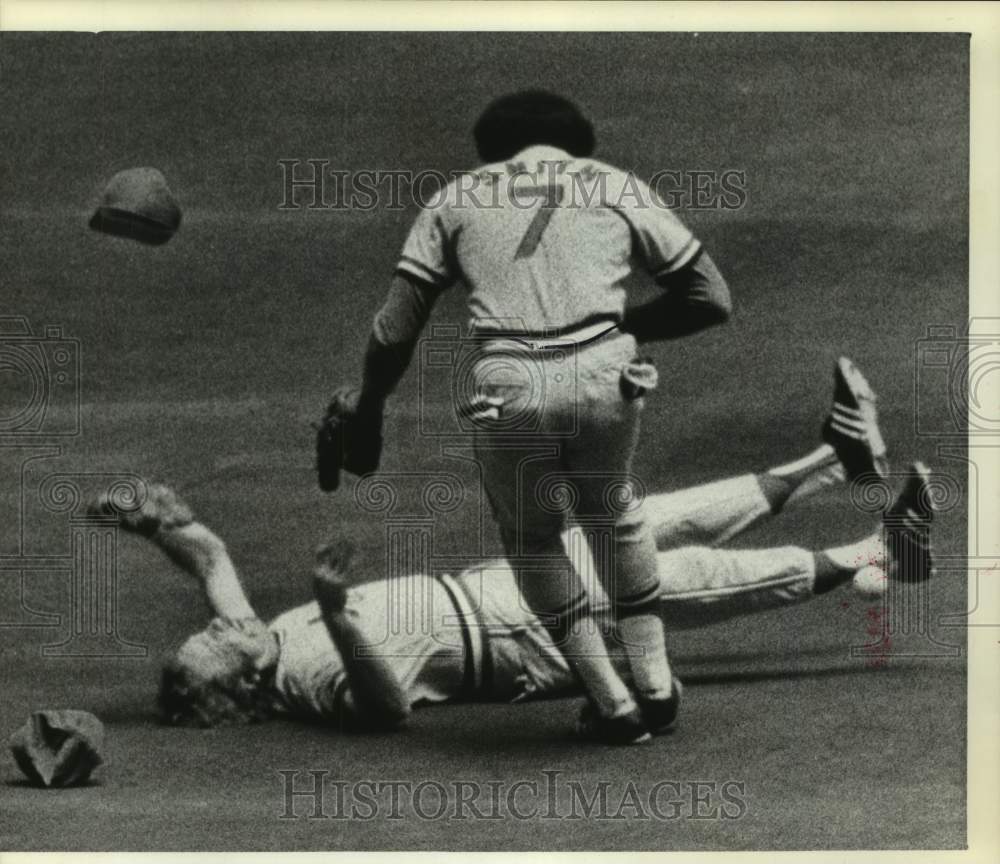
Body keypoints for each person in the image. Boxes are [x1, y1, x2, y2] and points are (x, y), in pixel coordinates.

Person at [101, 363, 936, 738]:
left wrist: (146, 516)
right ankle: (874, 553)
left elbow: (208, 558)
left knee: (651, 518)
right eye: (214, 644)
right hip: (520, 641)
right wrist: (336, 614)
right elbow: (388, 711)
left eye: (209, 631)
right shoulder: (303, 681)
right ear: (241, 686)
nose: (216, 627)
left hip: (497, 586)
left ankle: (837, 459)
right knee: (688, 580)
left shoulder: (261, 637)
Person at [346, 90, 735, 743]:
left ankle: (613, 704)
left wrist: (370, 407)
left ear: (492, 146)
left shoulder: (457, 197)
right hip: (607, 375)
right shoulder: (616, 184)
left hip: (511, 381)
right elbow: (711, 299)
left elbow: (394, 331)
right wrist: (620, 327)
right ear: (576, 140)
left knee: (531, 537)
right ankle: (657, 684)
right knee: (613, 512)